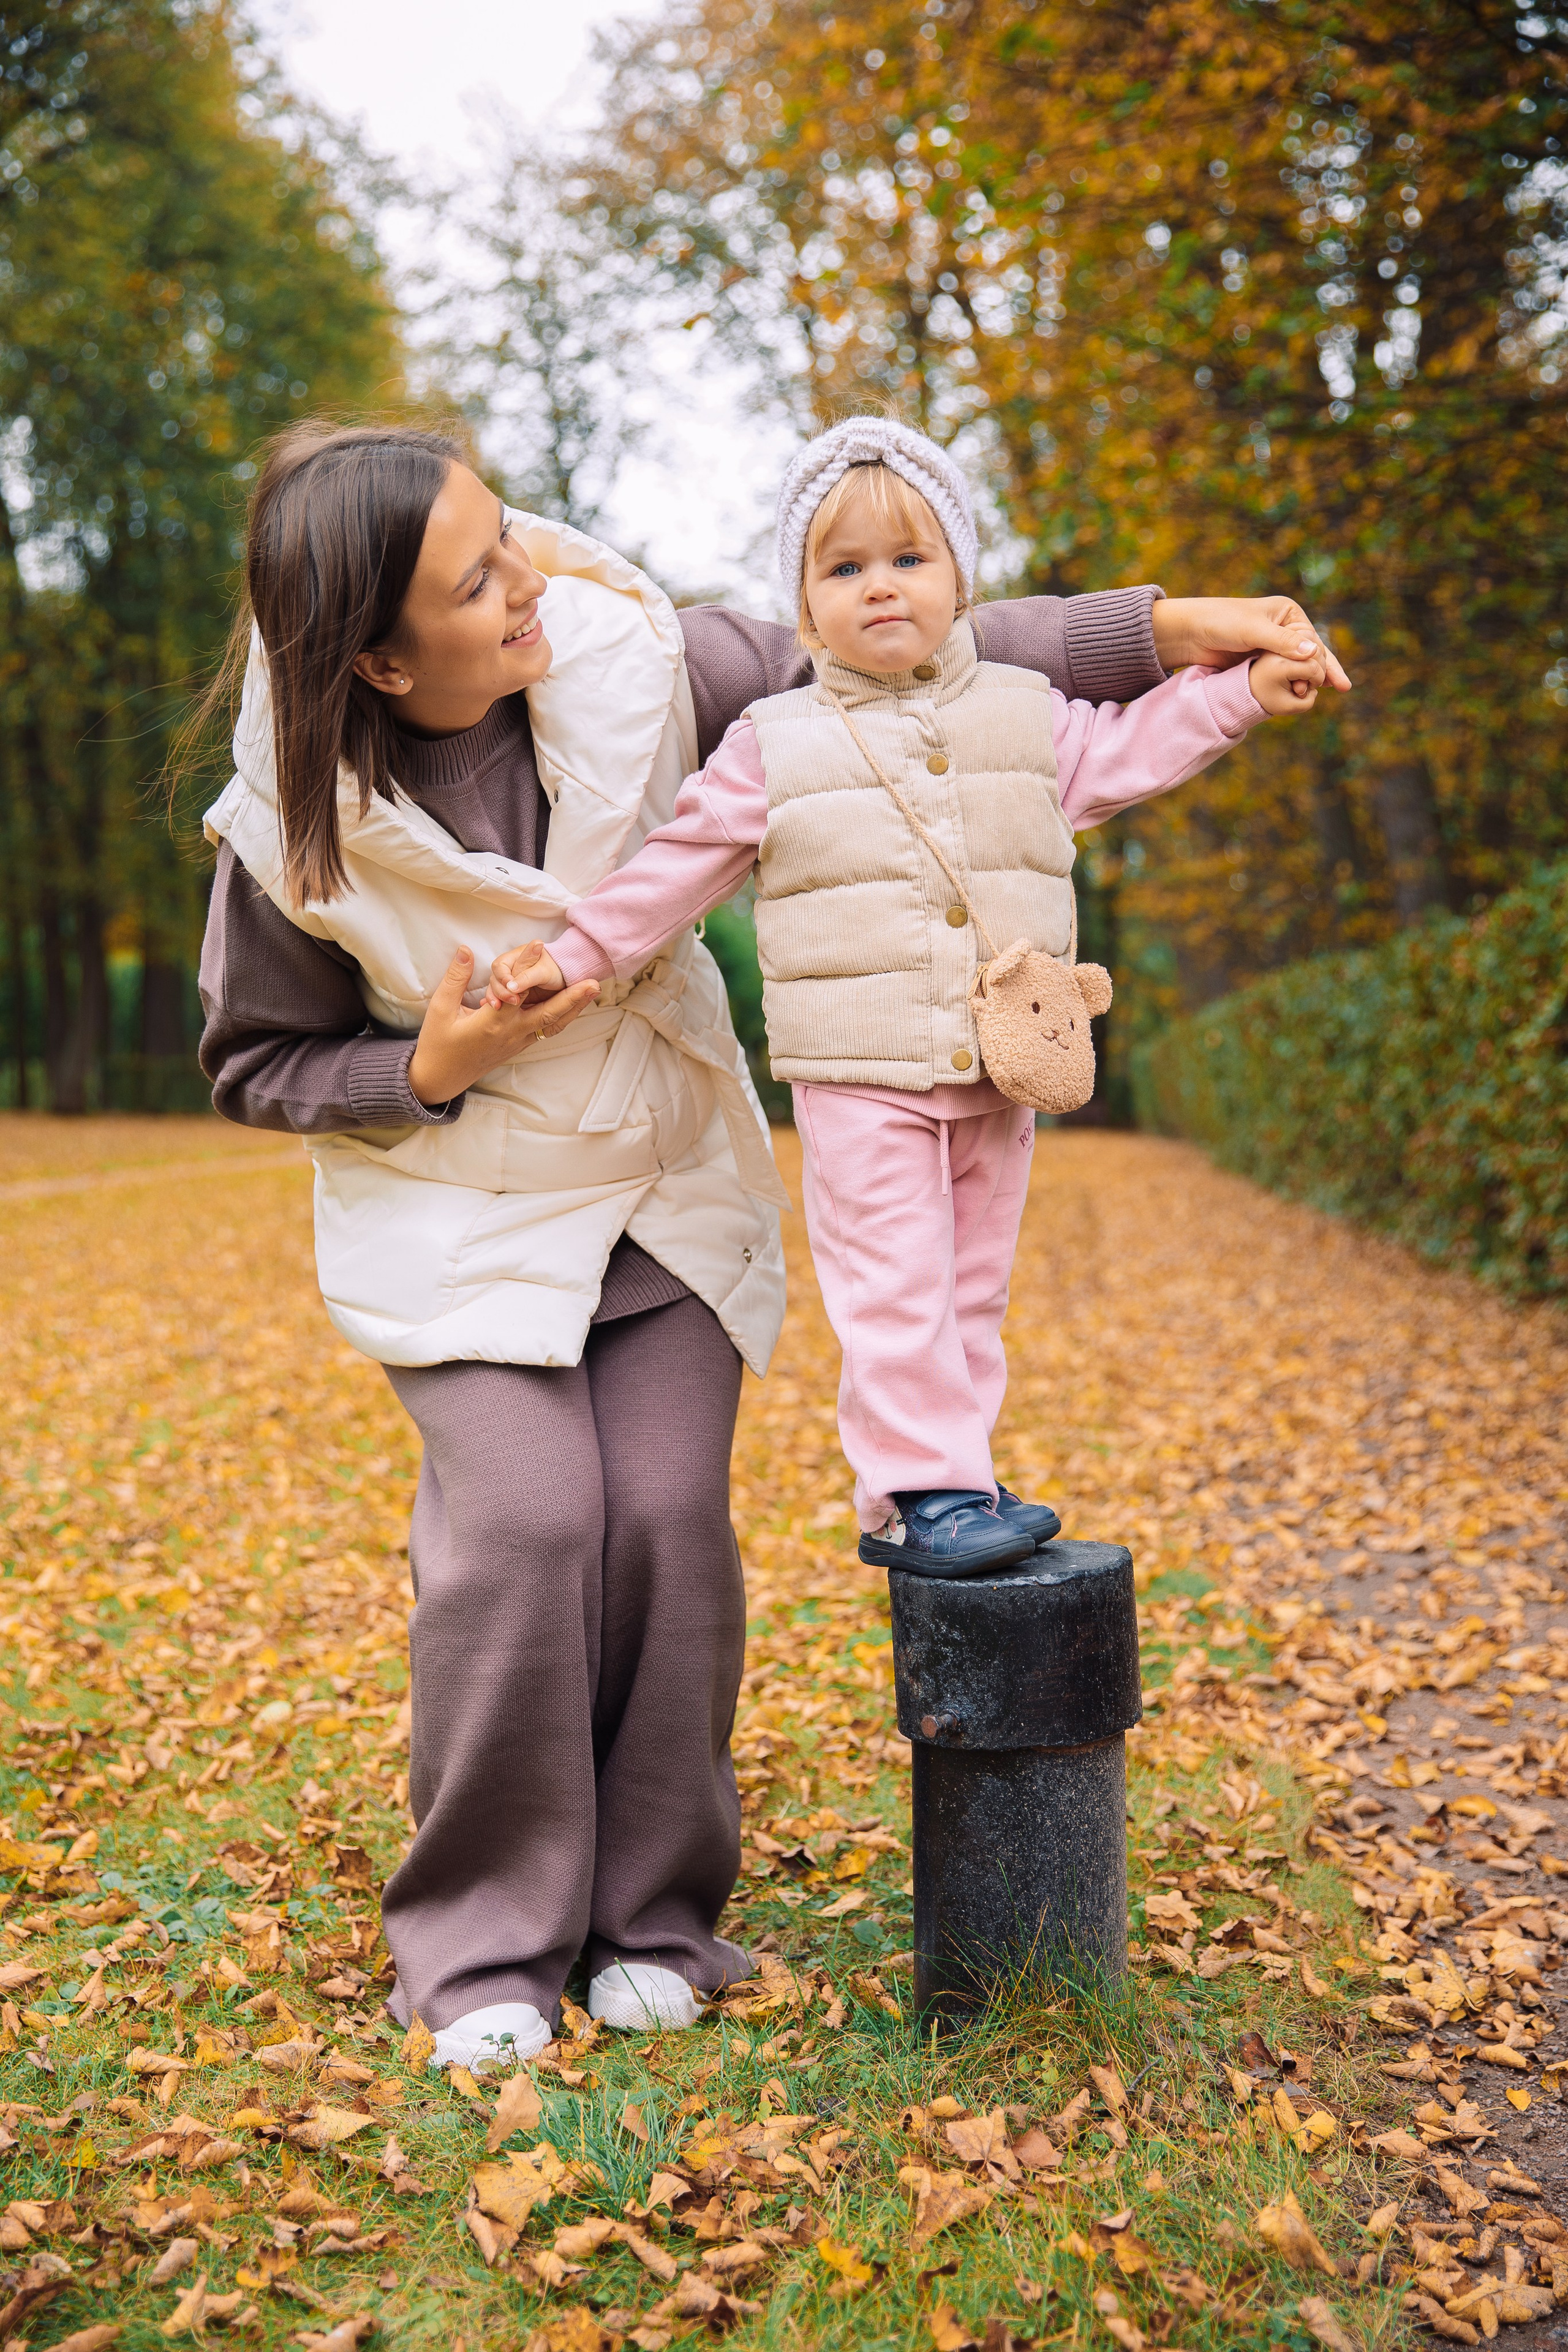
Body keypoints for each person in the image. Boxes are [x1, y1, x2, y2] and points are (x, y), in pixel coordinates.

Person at [195, 417, 1345, 2064]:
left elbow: (929, 645)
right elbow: (256, 1064)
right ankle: (484, 1946)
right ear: (379, 658)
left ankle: (654, 1919)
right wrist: (427, 1067)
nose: (529, 583)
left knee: (667, 1520)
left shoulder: (643, 665)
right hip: (462, 1216)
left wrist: (1177, 631)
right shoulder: (289, 830)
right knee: (530, 1528)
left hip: (662, 1186)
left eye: (507, 536)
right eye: (476, 581)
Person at [491, 418, 1329, 1577]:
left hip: (1000, 1060)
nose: (880, 586)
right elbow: (673, 871)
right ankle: (920, 1490)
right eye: (844, 568)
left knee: (973, 1287)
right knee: (895, 1286)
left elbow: (1130, 749)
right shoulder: (771, 744)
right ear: (804, 606)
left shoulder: (1027, 711)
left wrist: (1242, 694)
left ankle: (958, 1476)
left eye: (908, 559)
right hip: (859, 1072)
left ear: (960, 581)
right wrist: (575, 953)